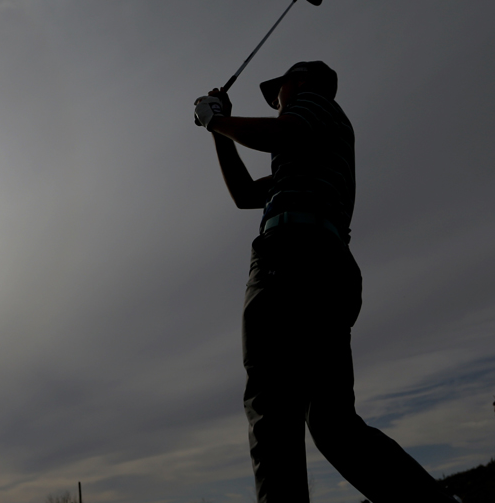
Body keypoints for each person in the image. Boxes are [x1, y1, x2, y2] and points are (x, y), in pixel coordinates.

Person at [193, 61, 455, 503]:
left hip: (292, 260)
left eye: (279, 91)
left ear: (301, 82)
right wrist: (217, 131)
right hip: (323, 266)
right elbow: (242, 195)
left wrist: (216, 118)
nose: (277, 100)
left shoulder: (314, 106)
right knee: (334, 427)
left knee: (273, 414)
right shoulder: (305, 154)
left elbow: (277, 133)